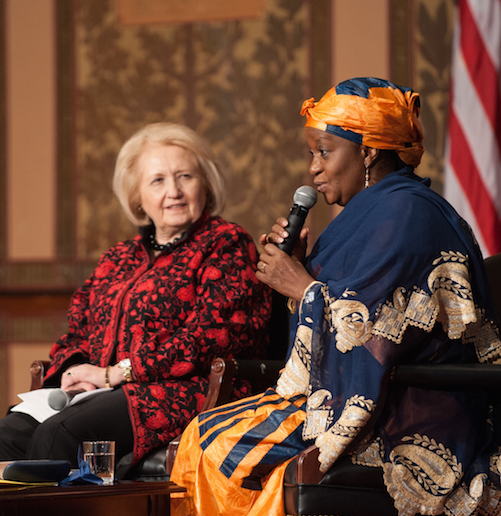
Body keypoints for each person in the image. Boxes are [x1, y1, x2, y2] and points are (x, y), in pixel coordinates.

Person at [170, 77, 501, 516]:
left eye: (324, 152)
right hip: (360, 393)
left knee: (221, 449)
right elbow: (338, 311)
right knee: (201, 434)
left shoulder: (407, 213)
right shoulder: (369, 212)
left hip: (410, 412)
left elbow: (368, 332)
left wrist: (303, 287)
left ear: (367, 151)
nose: (313, 168)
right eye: (312, 154)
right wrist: (301, 272)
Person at [0, 122, 272, 473]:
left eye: (185, 177)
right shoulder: (118, 257)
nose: (175, 191)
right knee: (2, 437)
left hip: (185, 392)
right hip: (102, 393)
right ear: (138, 197)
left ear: (205, 185)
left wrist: (118, 373)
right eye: (158, 180)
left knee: (61, 433)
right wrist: (76, 372)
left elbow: (212, 336)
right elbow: (78, 330)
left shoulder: (226, 243)